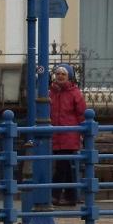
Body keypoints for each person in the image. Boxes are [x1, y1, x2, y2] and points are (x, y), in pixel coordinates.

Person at [48, 63, 88, 206]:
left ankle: (56, 194)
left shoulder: (74, 93)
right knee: (65, 166)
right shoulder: (51, 92)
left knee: (62, 165)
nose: (60, 76)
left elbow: (82, 113)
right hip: (56, 133)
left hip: (69, 134)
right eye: (58, 73)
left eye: (63, 74)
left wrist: (83, 131)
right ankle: (70, 196)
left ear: (69, 76)